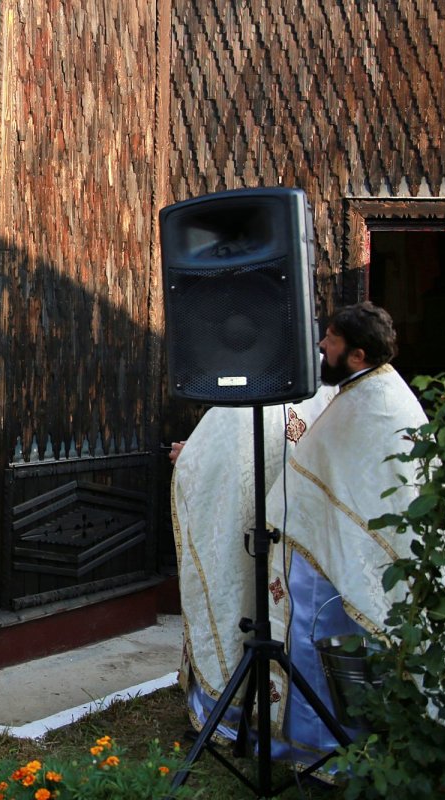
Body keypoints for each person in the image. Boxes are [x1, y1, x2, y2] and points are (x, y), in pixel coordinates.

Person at [263, 301, 427, 760]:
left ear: (357, 355)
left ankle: (326, 749)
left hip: (344, 560)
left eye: (330, 339)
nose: (321, 345)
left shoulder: (376, 404)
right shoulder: (368, 389)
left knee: (329, 646)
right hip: (331, 549)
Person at [169, 382, 336, 762]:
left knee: (238, 602)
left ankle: (228, 714)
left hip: (248, 537)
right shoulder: (322, 395)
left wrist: (189, 457)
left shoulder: (239, 404)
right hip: (297, 544)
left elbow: (206, 466)